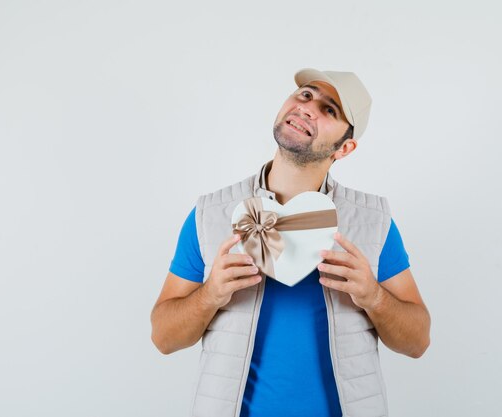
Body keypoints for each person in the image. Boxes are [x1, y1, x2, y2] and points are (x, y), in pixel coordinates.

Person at [150, 68, 431, 417]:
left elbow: (418, 342)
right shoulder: (212, 214)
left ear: (345, 148)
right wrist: (210, 295)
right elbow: (163, 338)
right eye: (306, 95)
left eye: (330, 110)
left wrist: (374, 297)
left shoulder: (371, 221)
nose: (308, 108)